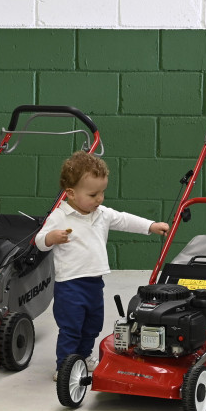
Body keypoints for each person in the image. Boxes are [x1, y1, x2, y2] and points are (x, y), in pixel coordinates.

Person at [36, 151, 169, 380]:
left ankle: (85, 357)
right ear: (70, 193)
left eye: (102, 192)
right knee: (71, 328)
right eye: (93, 194)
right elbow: (39, 242)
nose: (100, 199)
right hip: (69, 286)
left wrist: (151, 226)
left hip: (94, 283)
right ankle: (64, 366)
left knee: (93, 325)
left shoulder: (102, 214)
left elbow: (125, 220)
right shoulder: (59, 217)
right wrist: (51, 238)